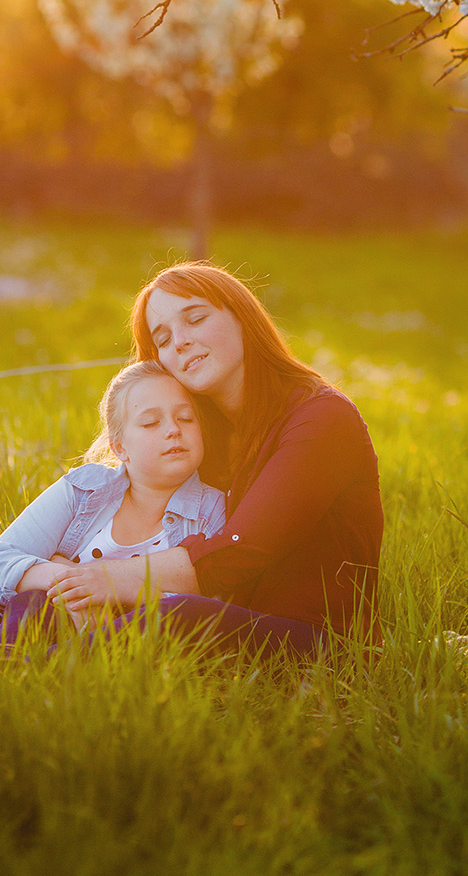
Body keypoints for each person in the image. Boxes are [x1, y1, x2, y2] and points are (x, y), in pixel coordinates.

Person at [40, 261, 384, 656]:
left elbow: (242, 551)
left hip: (321, 640)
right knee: (39, 601)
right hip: (225, 615)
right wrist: (65, 564)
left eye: (196, 319)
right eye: (164, 339)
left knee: (177, 614)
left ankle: (19, 670)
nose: (181, 342)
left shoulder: (322, 417)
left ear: (243, 318)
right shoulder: (197, 436)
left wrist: (104, 577)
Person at [0, 359, 224, 665]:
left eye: (186, 418)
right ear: (119, 448)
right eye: (151, 422)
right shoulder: (85, 489)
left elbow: (209, 606)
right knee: (29, 605)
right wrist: (69, 579)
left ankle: (9, 670)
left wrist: (107, 597)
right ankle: (3, 671)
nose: (173, 430)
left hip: (122, 636)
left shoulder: (212, 510)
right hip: (27, 612)